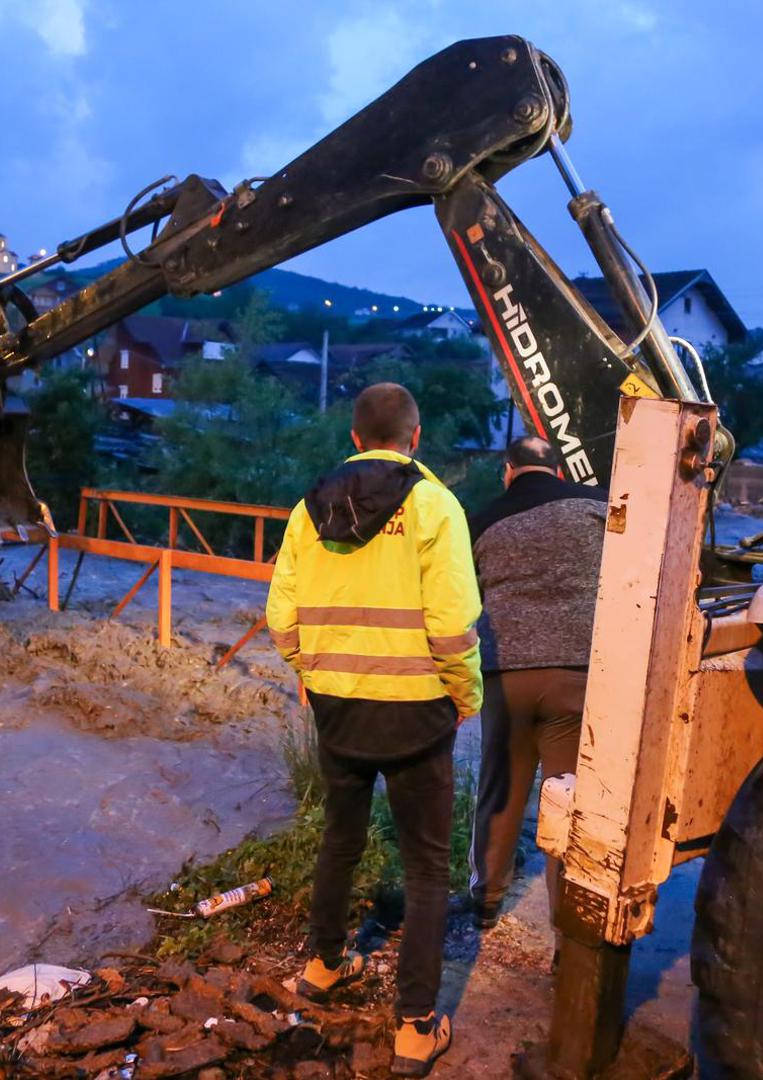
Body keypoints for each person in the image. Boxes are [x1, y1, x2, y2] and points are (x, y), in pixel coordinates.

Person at [266, 382, 482, 1079]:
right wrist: (465, 693)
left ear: (356, 438)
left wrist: (313, 669)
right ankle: (416, 1029)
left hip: (337, 706)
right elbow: (452, 626)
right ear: (414, 439)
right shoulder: (435, 506)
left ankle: (324, 966)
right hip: (419, 713)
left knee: (341, 837)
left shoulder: (311, 506)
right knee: (425, 869)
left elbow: (280, 617)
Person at [466, 436, 606, 934]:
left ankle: (486, 899)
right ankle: (568, 931)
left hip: (507, 678)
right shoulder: (598, 508)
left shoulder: (482, 519)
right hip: (577, 676)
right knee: (568, 804)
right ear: (557, 469)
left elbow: (465, 598)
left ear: (509, 470)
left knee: (501, 791)